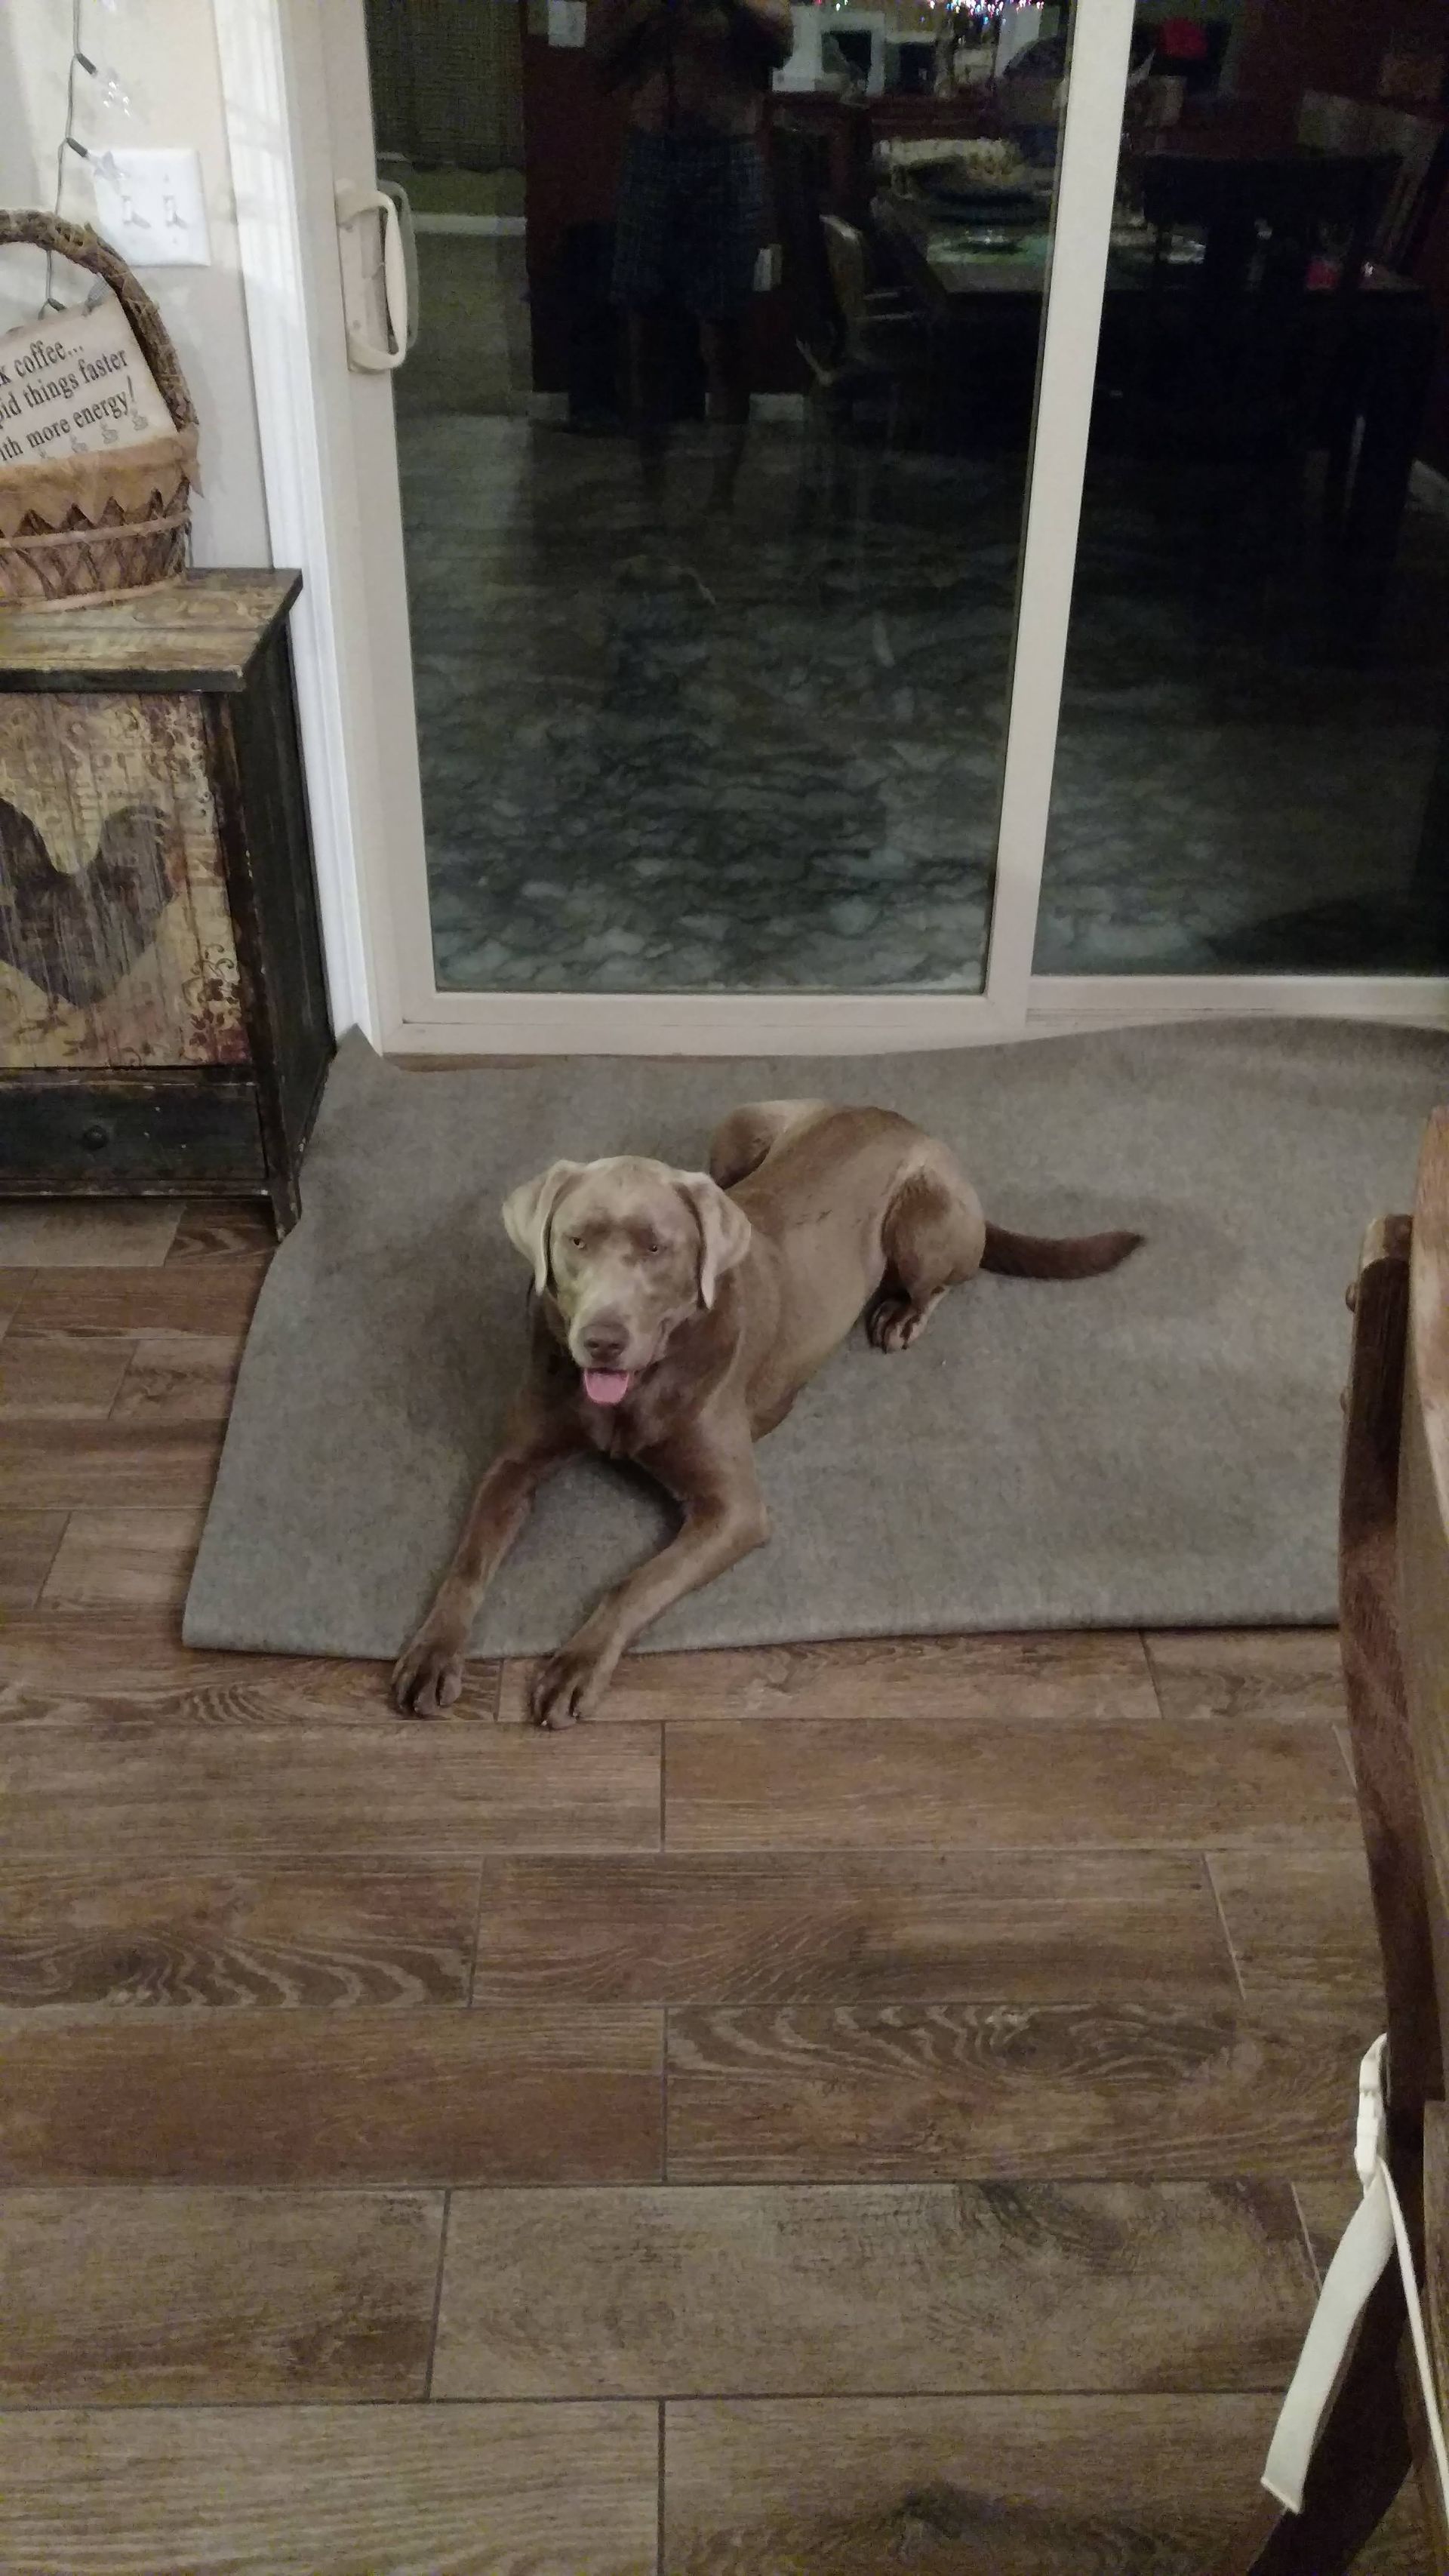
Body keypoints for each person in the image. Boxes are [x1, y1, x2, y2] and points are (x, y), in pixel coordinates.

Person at [589, 0, 792, 521]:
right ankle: (650, 495)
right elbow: (602, 64)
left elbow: (782, 44)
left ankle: (723, 499)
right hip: (651, 152)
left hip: (729, 154)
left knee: (725, 337)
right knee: (642, 333)